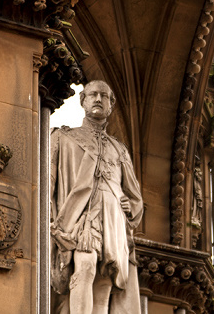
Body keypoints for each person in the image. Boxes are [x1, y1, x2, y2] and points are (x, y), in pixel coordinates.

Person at [50, 80, 143, 314]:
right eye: (93, 95)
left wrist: (128, 205)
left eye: (104, 96)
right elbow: (46, 183)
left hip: (112, 219)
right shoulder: (63, 137)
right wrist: (51, 219)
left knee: (105, 280)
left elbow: (134, 195)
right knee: (86, 265)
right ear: (83, 101)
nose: (98, 99)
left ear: (111, 105)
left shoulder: (119, 149)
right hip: (79, 217)